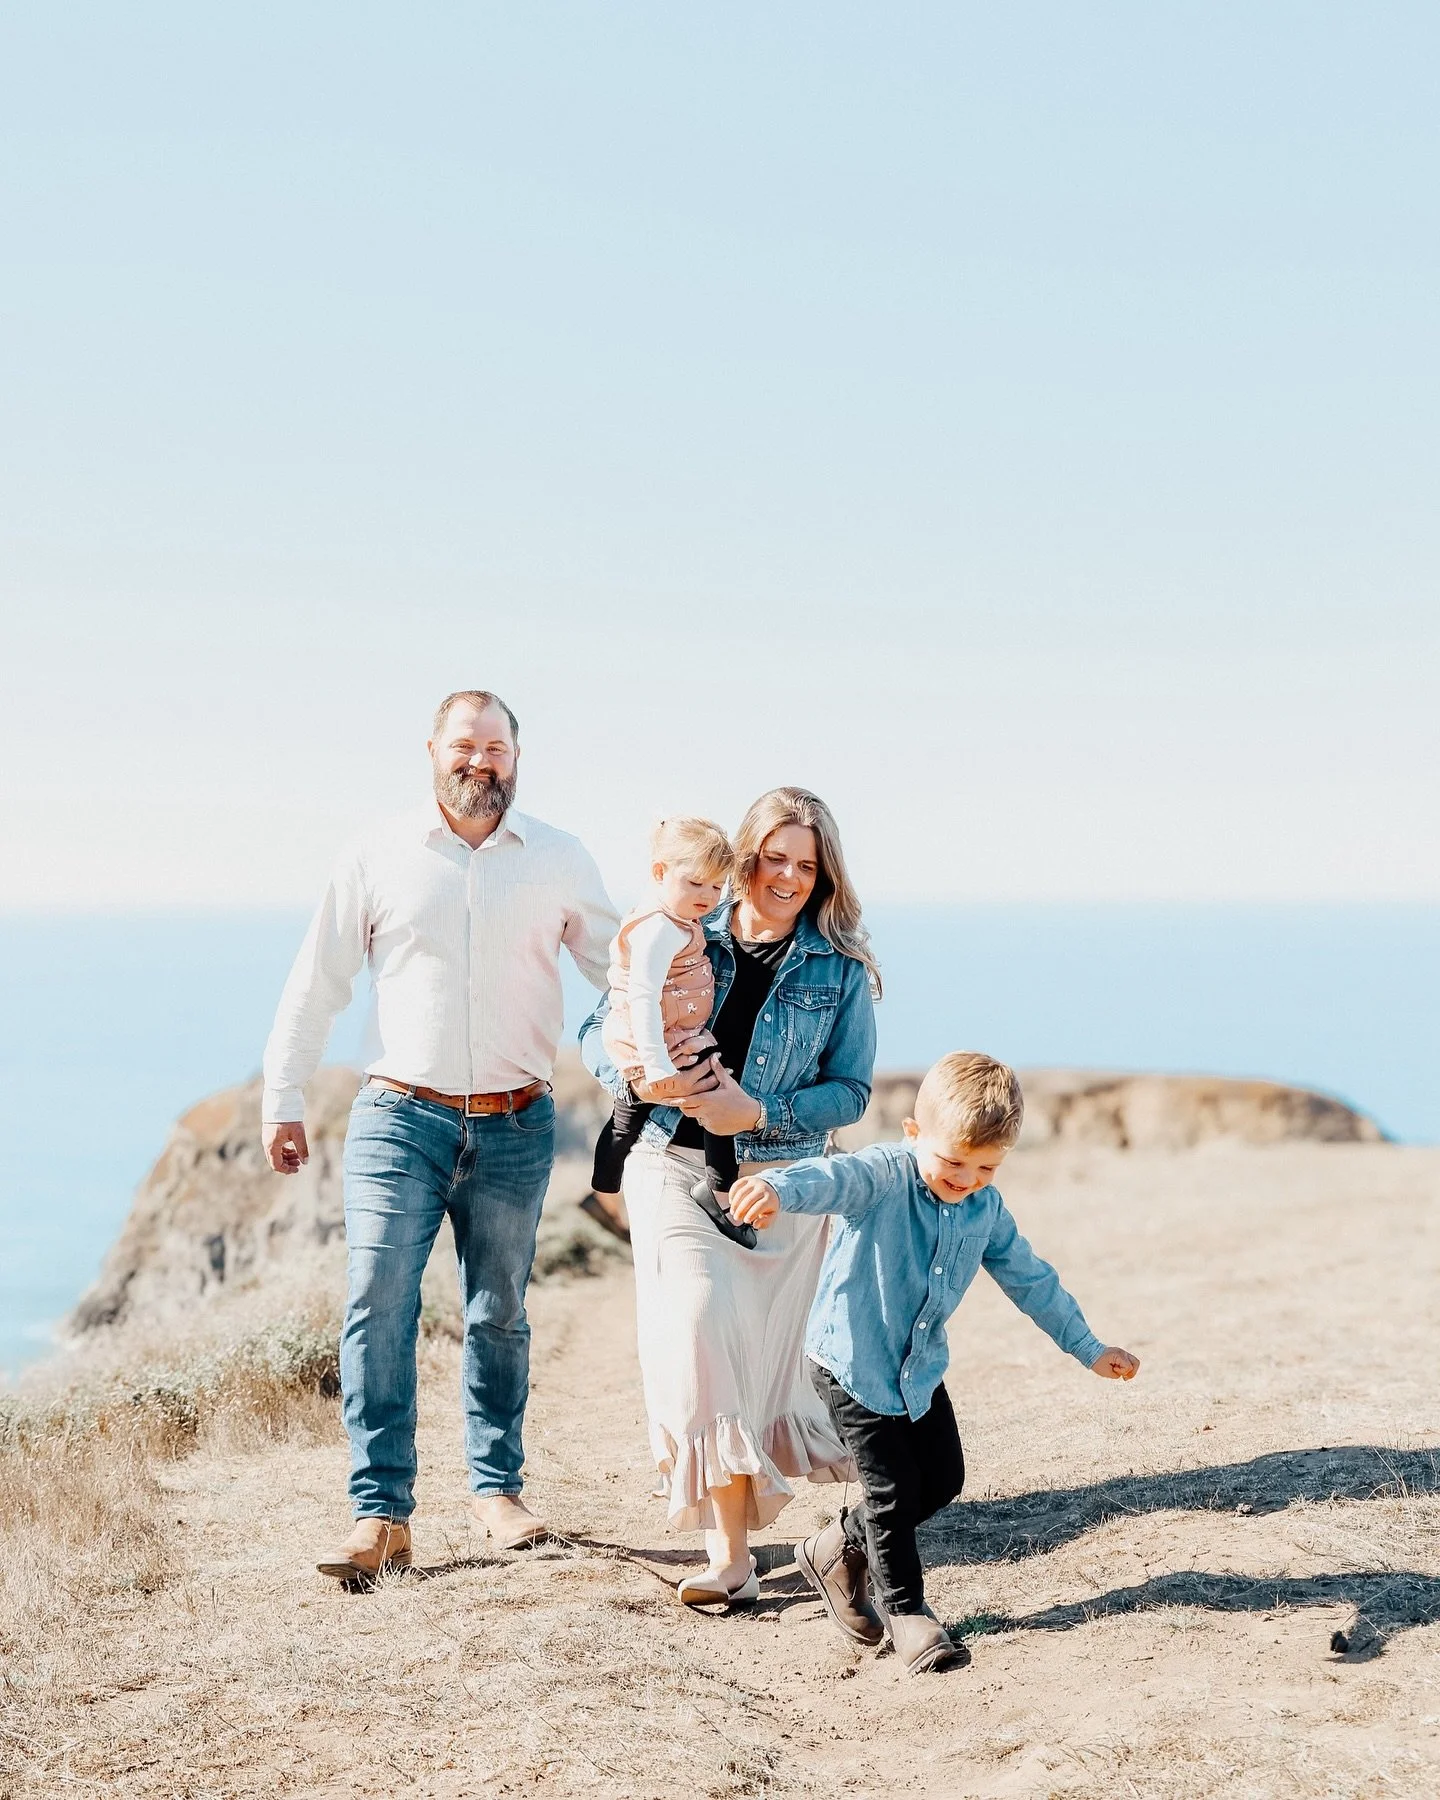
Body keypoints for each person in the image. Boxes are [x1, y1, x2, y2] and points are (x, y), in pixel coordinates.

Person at [261, 689, 618, 1580]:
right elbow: (318, 980)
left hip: (517, 1121)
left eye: (497, 748)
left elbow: (622, 971)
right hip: (397, 1118)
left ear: (516, 759)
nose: (481, 762)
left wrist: (660, 1059)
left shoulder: (559, 858)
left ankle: (498, 1493)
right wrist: (284, 1093)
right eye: (466, 745)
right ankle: (379, 1515)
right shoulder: (377, 853)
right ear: (432, 751)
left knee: (498, 1313)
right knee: (377, 1297)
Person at [728, 1051, 1141, 1671]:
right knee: (892, 1492)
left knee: (944, 1479)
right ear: (914, 1133)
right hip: (853, 1365)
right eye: (953, 1161)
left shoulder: (984, 1210)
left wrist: (1088, 1347)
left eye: (986, 1167)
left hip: (917, 1370)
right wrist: (775, 1188)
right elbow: (829, 1179)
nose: (967, 1178)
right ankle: (908, 1617)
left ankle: (835, 1547)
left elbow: (1031, 1280)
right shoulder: (883, 1177)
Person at [580, 787, 879, 1608]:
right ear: (746, 857)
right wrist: (648, 1079)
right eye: (775, 857)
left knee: (781, 1374)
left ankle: (877, 1512)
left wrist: (760, 1113)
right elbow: (594, 1031)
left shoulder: (839, 966)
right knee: (699, 1331)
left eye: (807, 865)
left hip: (777, 1185)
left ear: (823, 877)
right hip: (669, 1168)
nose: (787, 876)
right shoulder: (679, 926)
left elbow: (851, 1091)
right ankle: (730, 1557)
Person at [581, 817, 752, 1249]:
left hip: (667, 1035)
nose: (707, 897)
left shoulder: (674, 918)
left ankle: (604, 1193)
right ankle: (720, 1194)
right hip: (660, 1041)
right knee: (716, 1101)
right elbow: (641, 995)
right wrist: (655, 1063)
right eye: (695, 883)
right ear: (660, 872)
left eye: (716, 887)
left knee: (626, 1119)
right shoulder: (658, 928)